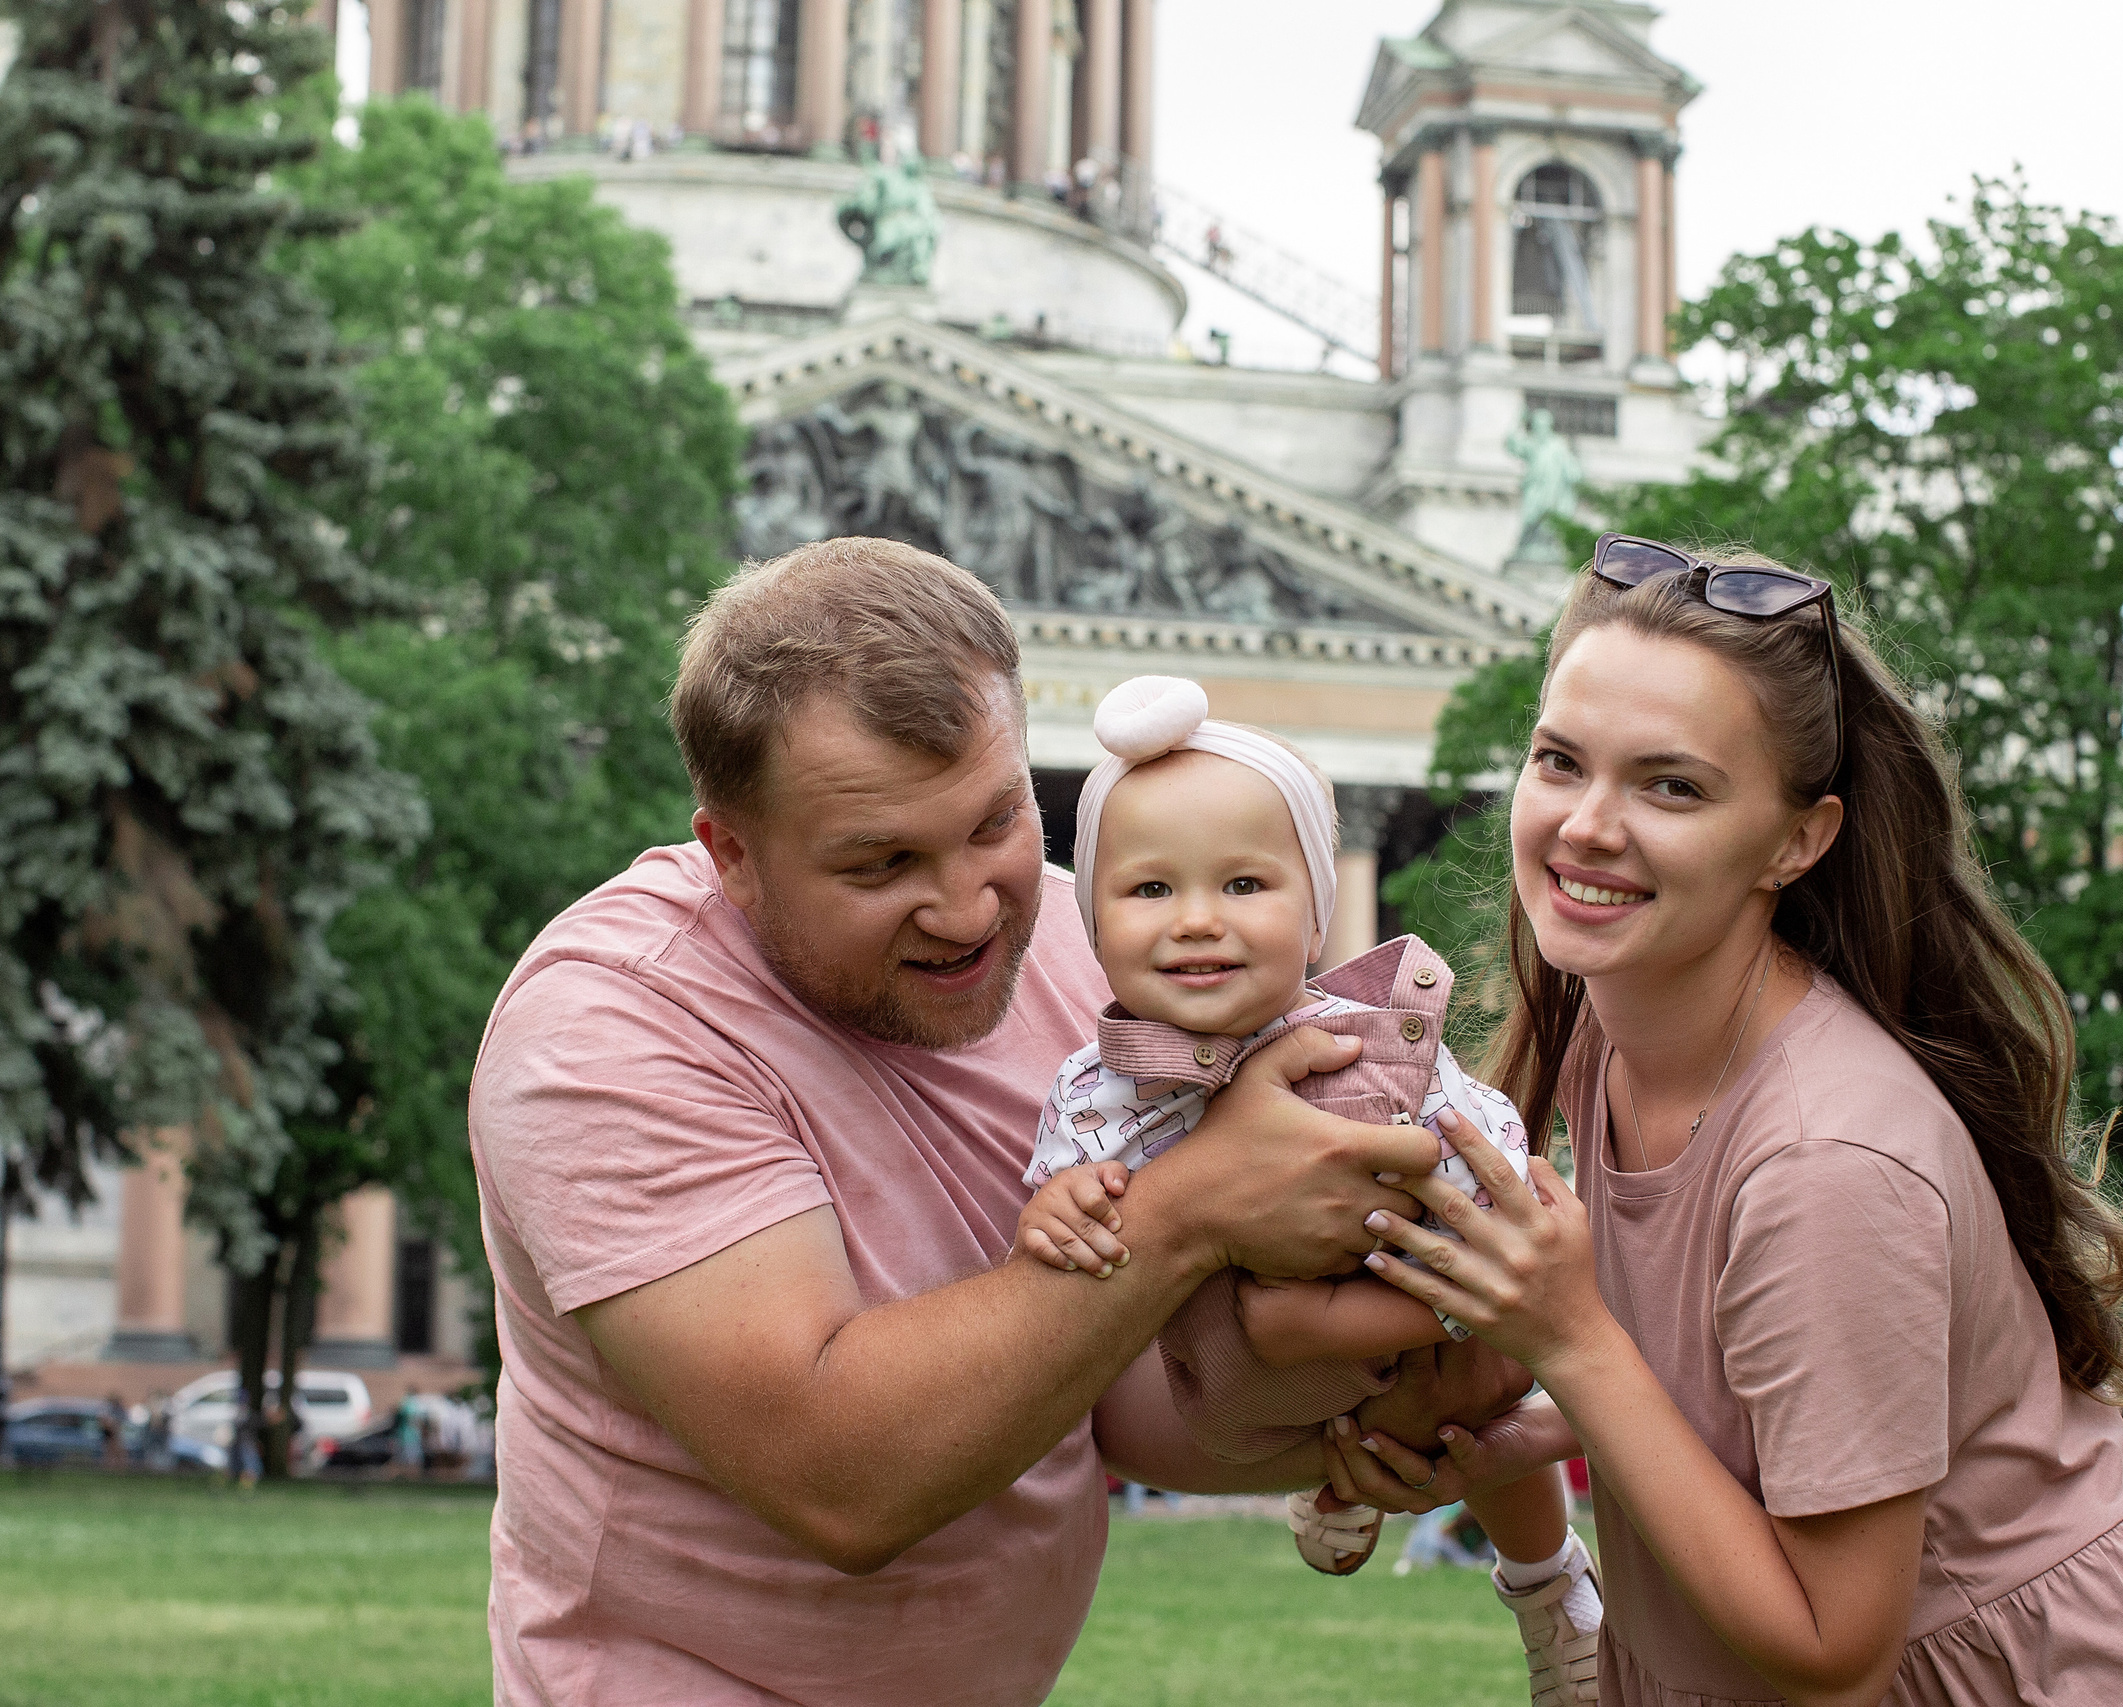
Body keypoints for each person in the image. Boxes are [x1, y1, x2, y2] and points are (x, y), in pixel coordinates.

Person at [467, 538, 1528, 1707]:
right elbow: (839, 1482)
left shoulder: (1089, 947)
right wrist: (1202, 1207)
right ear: (733, 856)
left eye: (995, 823)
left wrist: (1360, 1422)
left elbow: (1112, 1399)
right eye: (882, 864)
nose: (971, 909)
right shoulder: (608, 1030)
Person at [1314, 534, 2123, 1705]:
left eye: (1672, 785)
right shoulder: (1620, 1027)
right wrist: (1532, 1432)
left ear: (1798, 840)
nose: (1587, 825)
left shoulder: (1827, 1163)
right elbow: (1749, 1399)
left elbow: (1831, 1647)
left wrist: (1573, 1342)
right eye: (1561, 761)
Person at [1015, 676, 1597, 1697]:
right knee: (1284, 1323)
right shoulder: (1092, 1084)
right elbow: (1064, 1190)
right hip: (1239, 1380)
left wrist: (1474, 1273)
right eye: (1150, 890)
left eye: (1244, 886)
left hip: (1416, 1312)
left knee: (1478, 1387)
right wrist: (1056, 1209)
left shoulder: (1361, 1048)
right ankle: (1344, 1470)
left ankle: (1549, 1589)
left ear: (1318, 911)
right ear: (1092, 927)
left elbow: (1472, 1144)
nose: (1197, 921)